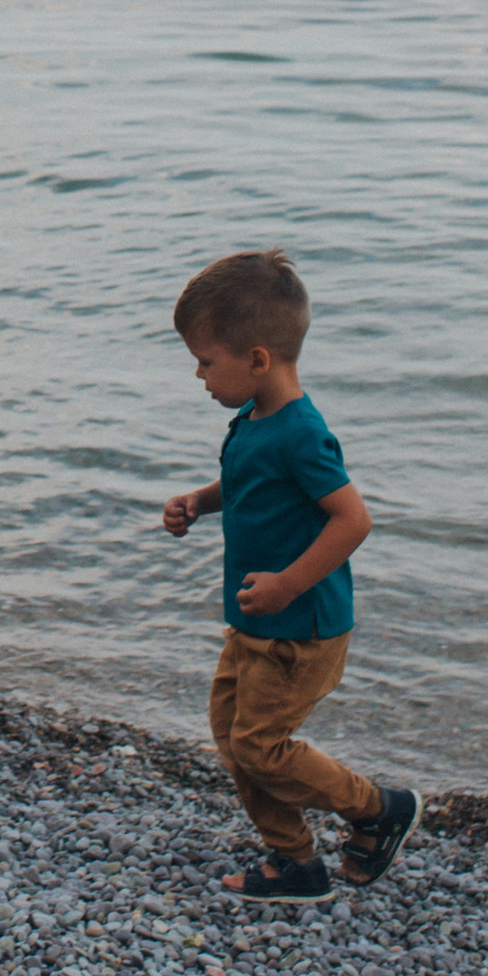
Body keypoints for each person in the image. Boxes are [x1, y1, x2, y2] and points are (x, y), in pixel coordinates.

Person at [161, 247, 422, 904]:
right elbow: (248, 482)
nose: (198, 374)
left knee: (261, 744)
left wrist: (288, 583)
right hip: (254, 621)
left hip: (299, 627)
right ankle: (296, 862)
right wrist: (201, 499)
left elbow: (352, 520)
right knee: (235, 740)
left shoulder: (303, 433)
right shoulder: (252, 420)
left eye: (205, 360)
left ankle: (378, 809)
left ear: (256, 359)